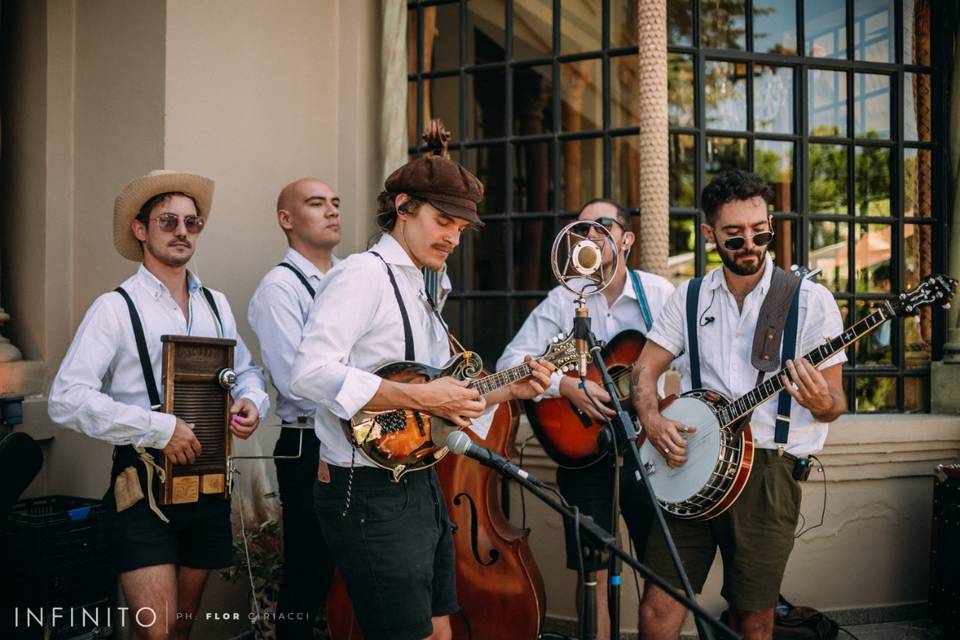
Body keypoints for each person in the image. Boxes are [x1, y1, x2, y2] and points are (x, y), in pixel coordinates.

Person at [289, 124, 554, 640]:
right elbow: (309, 373)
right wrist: (421, 394)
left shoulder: (424, 288)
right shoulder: (361, 275)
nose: (453, 237)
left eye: (461, 228)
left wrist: (506, 390)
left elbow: (438, 403)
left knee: (438, 629)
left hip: (420, 481)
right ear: (404, 206)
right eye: (444, 221)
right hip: (362, 489)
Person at [48, 170, 269, 640]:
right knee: (158, 632)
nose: (182, 232)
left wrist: (251, 400)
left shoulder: (216, 304)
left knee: (181, 630)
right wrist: (157, 428)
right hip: (143, 484)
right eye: (168, 221)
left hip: (207, 484)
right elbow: (66, 399)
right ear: (141, 229)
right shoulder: (115, 307)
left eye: (193, 222)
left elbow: (247, 370)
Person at [629, 170, 847, 640]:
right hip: (686, 464)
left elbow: (834, 403)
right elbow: (642, 371)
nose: (750, 244)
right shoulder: (688, 297)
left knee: (754, 618)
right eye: (734, 235)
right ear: (710, 234)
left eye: (759, 231)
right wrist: (651, 417)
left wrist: (819, 401)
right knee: (656, 605)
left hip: (768, 472)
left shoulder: (810, 302)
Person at [497, 198, 675, 640]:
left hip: (648, 449)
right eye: (581, 229)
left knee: (662, 565)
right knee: (592, 568)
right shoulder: (564, 298)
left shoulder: (660, 295)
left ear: (627, 239)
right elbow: (509, 361)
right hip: (581, 448)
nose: (590, 235)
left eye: (602, 226)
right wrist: (566, 385)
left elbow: (688, 369)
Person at [248, 177, 341, 638]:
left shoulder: (348, 277)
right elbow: (297, 383)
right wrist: (375, 391)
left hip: (358, 437)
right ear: (286, 219)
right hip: (308, 443)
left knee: (351, 570)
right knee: (309, 571)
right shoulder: (278, 289)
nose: (332, 210)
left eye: (335, 203)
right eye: (317, 203)